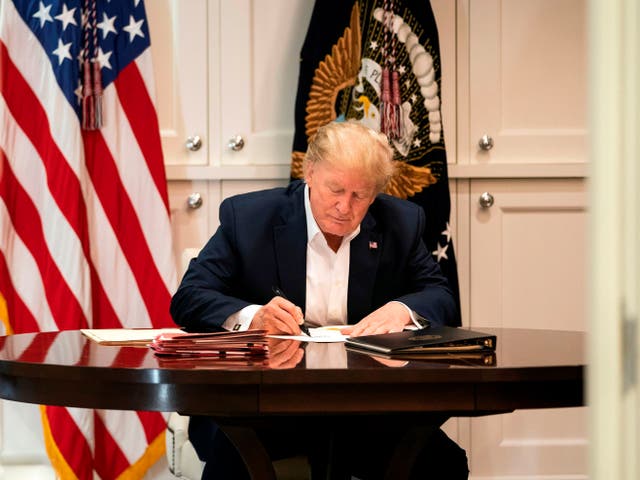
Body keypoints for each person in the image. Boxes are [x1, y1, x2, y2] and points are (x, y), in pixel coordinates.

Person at [170, 121, 468, 479]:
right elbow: (189, 298)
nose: (345, 206)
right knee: (233, 456)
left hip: (366, 408)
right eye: (335, 189)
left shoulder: (400, 223)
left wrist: (403, 309)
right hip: (263, 405)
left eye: (360, 195)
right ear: (310, 172)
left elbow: (440, 295)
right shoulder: (249, 218)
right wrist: (253, 317)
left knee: (442, 462)